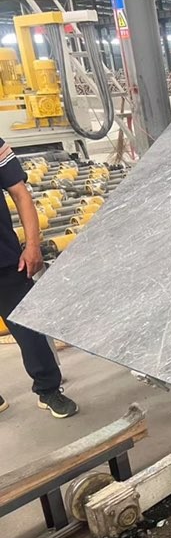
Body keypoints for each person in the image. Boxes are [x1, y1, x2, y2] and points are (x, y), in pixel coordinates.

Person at [0, 139, 77, 418]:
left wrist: (32, 245)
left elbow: (20, 194)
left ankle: (48, 390)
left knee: (28, 330)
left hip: (4, 260)